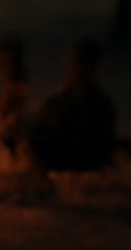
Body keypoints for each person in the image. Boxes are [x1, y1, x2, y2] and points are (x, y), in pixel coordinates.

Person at [28, 38, 118, 172]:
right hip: (63, 160)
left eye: (84, 63)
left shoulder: (102, 105)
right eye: (76, 62)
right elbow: (36, 131)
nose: (79, 68)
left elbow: (103, 144)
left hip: (84, 161)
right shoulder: (56, 102)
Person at [0, 34, 31, 162]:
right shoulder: (12, 90)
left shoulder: (18, 92)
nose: (4, 68)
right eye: (3, 63)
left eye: (9, 63)